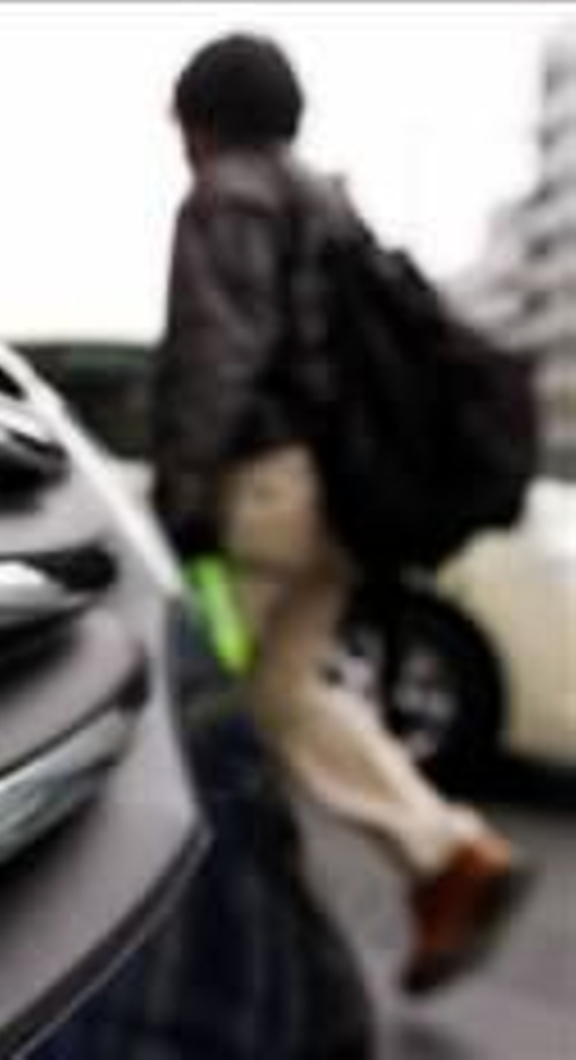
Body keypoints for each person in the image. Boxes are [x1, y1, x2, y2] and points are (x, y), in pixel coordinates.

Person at [151, 33, 533, 996]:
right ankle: (447, 855)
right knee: (283, 696)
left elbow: (220, 359)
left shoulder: (229, 197)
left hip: (264, 491)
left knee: (189, 701)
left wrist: (186, 497)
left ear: (203, 116)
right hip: (336, 497)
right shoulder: (325, 201)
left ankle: (205, 929)